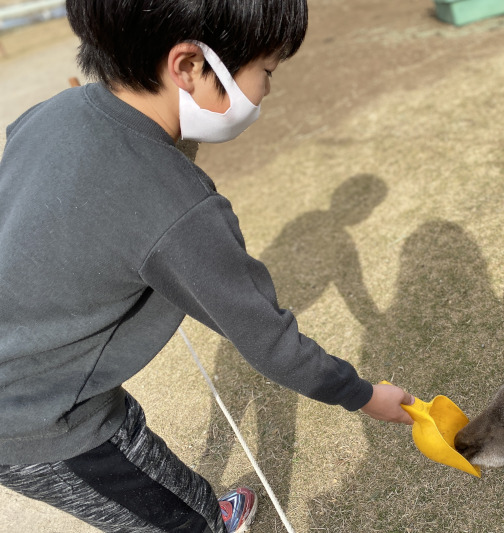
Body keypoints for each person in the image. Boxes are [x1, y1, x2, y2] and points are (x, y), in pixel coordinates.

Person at [0, 0, 414, 531]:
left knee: (136, 446)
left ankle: (197, 505)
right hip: (39, 422)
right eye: (266, 71)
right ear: (190, 66)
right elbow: (271, 342)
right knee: (172, 516)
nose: (267, 88)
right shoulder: (181, 209)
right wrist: (363, 395)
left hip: (47, 379)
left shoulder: (56, 111)